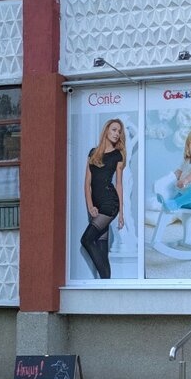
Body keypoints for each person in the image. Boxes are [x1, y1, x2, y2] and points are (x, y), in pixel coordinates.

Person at [81, 118, 126, 279]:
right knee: (102, 251)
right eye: (114, 130)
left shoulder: (117, 155)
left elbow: (119, 184)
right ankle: (106, 285)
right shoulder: (93, 153)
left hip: (110, 203)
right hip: (97, 204)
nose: (117, 133)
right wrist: (90, 206)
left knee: (86, 240)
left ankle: (105, 283)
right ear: (106, 130)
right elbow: (87, 183)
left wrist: (121, 213)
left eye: (119, 131)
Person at [158, 127, 191, 211]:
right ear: (188, 146)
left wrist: (185, 180)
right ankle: (165, 199)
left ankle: (176, 203)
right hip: (183, 197)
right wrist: (166, 182)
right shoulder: (186, 161)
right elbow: (178, 173)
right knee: (173, 187)